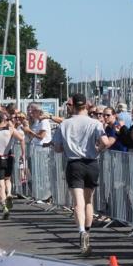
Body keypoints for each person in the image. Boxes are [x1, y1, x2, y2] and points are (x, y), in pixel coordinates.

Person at [52, 93, 114, 256]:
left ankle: (81, 232)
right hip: (91, 162)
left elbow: (57, 148)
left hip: (74, 163)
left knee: (77, 202)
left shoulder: (64, 124)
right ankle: (88, 230)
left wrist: (67, 148)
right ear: (86, 105)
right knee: (88, 201)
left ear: (72, 106)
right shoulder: (95, 123)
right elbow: (106, 142)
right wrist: (98, 149)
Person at [0, 111, 25, 219]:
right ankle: (9, 195)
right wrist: (23, 153)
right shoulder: (10, 129)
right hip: (9, 157)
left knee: (0, 185)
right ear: (3, 120)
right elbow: (22, 139)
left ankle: (4, 207)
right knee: (8, 179)